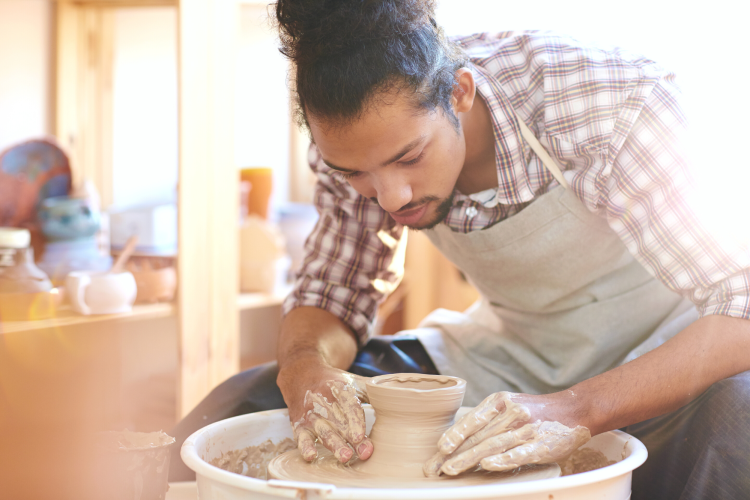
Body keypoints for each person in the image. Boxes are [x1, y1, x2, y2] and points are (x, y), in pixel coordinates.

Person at [169, 1, 750, 497]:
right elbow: (334, 294)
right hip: (509, 356)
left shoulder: (606, 104)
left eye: (409, 157)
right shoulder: (347, 149)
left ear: (461, 92)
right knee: (242, 399)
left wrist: (578, 409)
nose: (390, 196)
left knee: (738, 425)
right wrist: (304, 368)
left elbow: (741, 302)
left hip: (672, 351)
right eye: (356, 174)